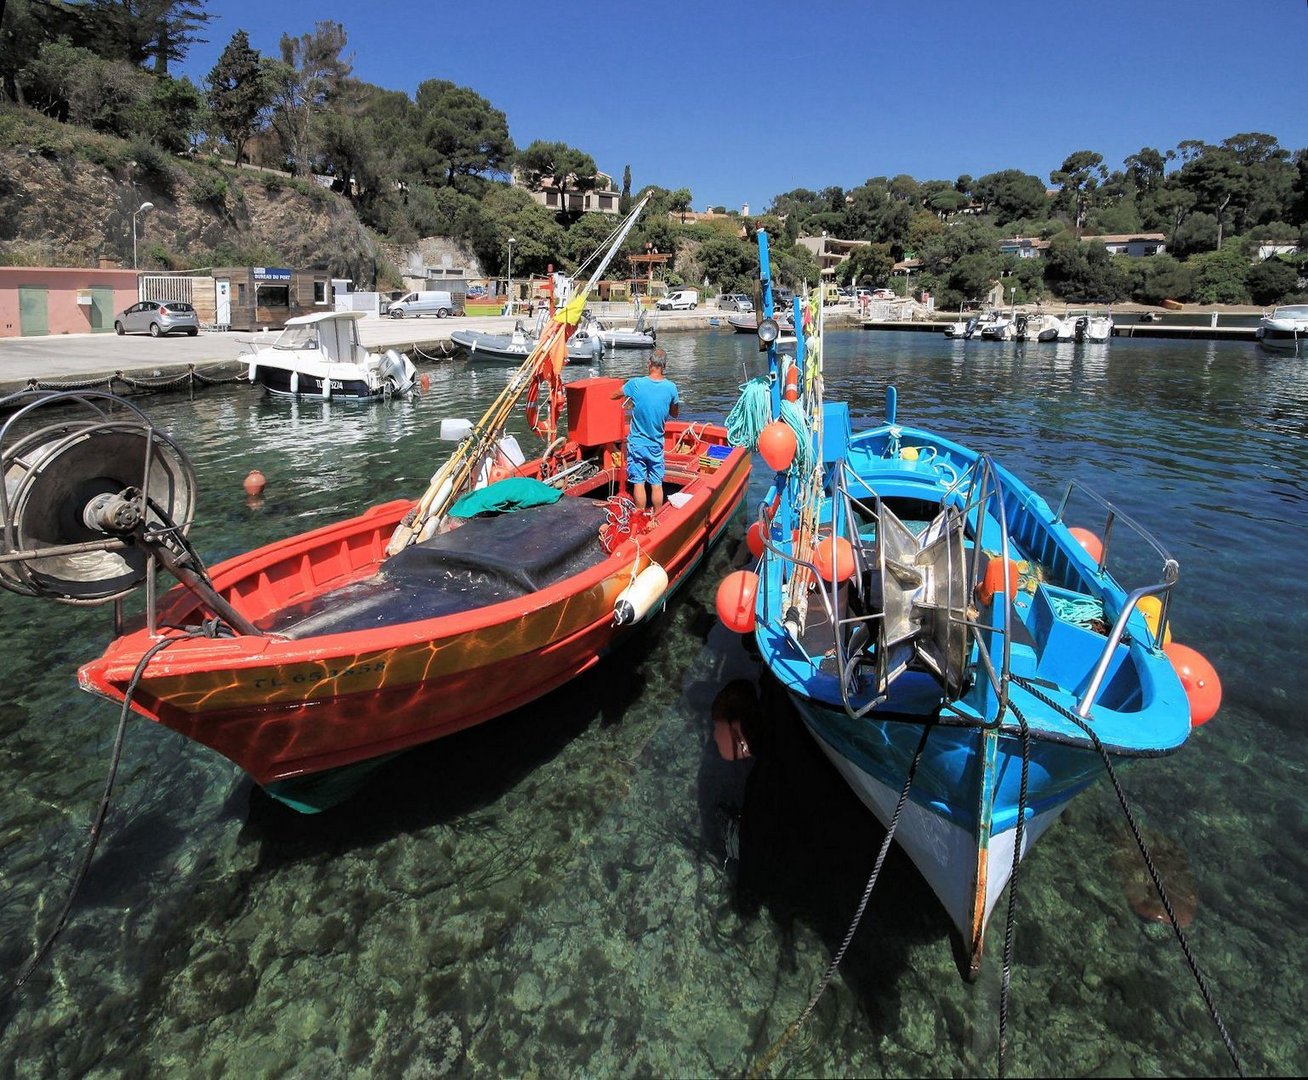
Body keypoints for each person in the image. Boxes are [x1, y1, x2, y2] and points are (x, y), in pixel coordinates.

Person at [617, 350, 679, 517]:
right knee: (656, 483)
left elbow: (614, 394)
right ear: (664, 366)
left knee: (638, 482)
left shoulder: (635, 384)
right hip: (656, 444)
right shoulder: (671, 388)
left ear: (649, 363)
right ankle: (657, 516)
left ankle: (639, 516)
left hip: (637, 443)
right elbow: (674, 413)